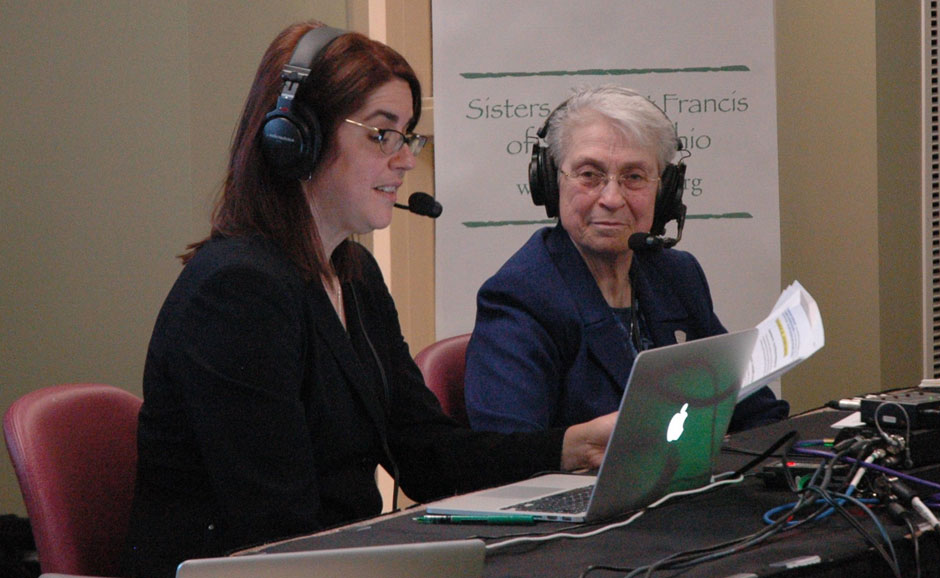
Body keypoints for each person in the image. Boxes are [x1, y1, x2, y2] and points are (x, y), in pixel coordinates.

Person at [124, 22, 615, 578]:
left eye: (408, 135)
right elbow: (277, 527)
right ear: (294, 140)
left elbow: (424, 453)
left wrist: (570, 448)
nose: (405, 159)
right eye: (382, 134)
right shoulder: (237, 292)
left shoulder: (353, 275)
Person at [464, 85, 789, 434]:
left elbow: (757, 413)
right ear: (551, 181)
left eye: (634, 177)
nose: (612, 198)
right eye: (590, 174)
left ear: (665, 192)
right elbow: (511, 456)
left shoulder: (677, 276)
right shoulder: (520, 297)